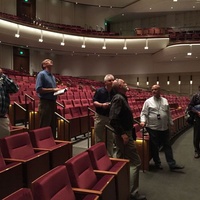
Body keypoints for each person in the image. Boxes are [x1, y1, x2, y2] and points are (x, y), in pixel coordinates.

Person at [109, 79, 146, 200]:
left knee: (120, 161)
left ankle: (120, 187)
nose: (126, 83)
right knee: (136, 162)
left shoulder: (122, 97)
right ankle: (133, 193)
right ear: (120, 86)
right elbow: (113, 119)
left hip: (125, 133)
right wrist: (123, 134)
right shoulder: (118, 98)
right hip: (124, 135)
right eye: (124, 82)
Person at [140, 84, 184, 171]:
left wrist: (171, 124)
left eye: (156, 89)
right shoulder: (148, 101)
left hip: (164, 127)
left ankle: (172, 164)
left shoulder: (165, 101)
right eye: (152, 90)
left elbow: (168, 114)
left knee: (167, 146)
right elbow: (143, 113)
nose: (154, 91)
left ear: (160, 90)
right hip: (153, 128)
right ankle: (157, 163)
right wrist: (143, 120)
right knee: (155, 147)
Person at [36, 59, 62, 138]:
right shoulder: (41, 74)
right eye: (47, 60)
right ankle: (42, 144)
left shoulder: (53, 76)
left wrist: (59, 92)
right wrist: (53, 89)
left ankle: (52, 143)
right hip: (45, 103)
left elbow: (52, 91)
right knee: (45, 125)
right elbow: (39, 89)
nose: (50, 60)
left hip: (53, 102)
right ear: (44, 65)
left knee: (53, 125)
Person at [93, 74, 115, 157]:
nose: (112, 82)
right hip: (100, 116)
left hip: (110, 117)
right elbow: (94, 102)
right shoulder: (99, 91)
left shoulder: (115, 92)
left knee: (110, 138)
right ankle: (98, 156)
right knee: (98, 137)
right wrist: (102, 105)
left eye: (113, 80)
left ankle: (110, 155)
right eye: (110, 80)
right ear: (105, 82)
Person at [0, 68, 19, 138]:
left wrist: (3, 76)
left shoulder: (2, 80)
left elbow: (15, 89)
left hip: (2, 119)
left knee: (3, 145)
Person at [188, 85, 200, 158]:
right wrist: (197, 112)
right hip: (197, 118)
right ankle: (197, 151)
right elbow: (190, 107)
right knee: (197, 135)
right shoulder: (195, 96)